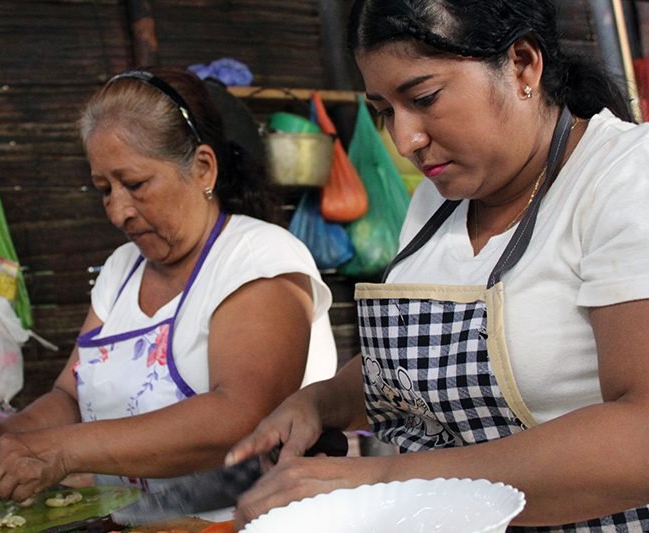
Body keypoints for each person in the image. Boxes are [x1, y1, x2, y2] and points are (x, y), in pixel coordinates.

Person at [227, 1, 649, 531]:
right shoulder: (438, 201)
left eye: (423, 98)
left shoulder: (627, 178)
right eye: (384, 111)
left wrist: (385, 480)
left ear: (522, 64)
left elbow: (641, 435)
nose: (405, 141)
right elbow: (432, 366)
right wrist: (321, 402)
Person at [0, 67, 337, 504]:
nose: (119, 212)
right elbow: (69, 395)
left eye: (136, 184)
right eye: (105, 189)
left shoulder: (258, 258)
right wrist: (2, 436)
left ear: (202, 168)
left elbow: (240, 414)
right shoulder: (122, 270)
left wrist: (61, 451)